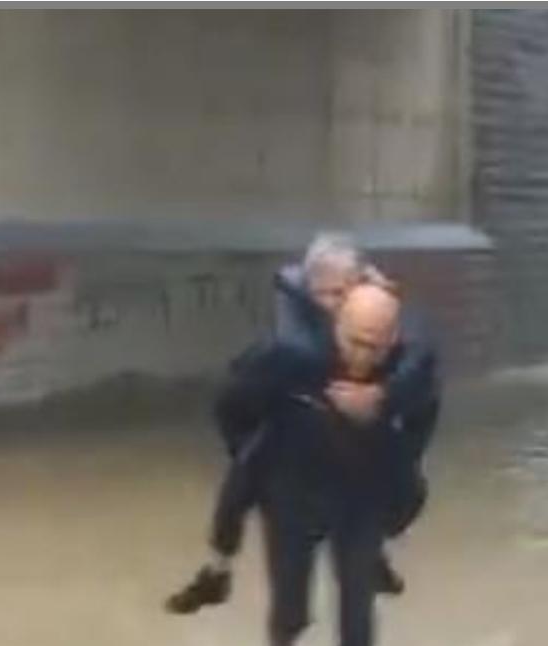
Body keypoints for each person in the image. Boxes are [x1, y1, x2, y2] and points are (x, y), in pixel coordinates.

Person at [165, 233, 439, 614]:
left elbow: (423, 379)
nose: (338, 304)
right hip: (292, 424)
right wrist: (248, 447)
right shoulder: (293, 341)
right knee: (245, 474)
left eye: (346, 292)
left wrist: (386, 406)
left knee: (402, 484)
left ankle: (373, 549)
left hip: (363, 429)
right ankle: (217, 572)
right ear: (309, 293)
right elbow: (232, 401)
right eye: (328, 295)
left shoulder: (381, 314)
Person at [218, 282, 429, 646]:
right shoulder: (294, 358)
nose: (362, 356)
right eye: (354, 341)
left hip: (360, 499)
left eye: (375, 346)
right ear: (338, 327)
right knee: (290, 608)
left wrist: (382, 402)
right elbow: (232, 401)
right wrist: (248, 458)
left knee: (357, 608)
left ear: (391, 339)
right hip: (292, 492)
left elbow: (421, 419)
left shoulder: (406, 368)